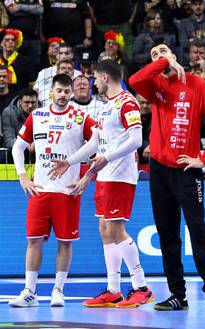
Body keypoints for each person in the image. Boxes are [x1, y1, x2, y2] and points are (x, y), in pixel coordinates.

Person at [129, 42, 205, 311]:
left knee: (198, 230)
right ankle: (178, 295)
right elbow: (134, 79)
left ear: (175, 55)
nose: (157, 57)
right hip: (159, 170)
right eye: (152, 55)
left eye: (162, 52)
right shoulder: (156, 86)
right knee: (167, 234)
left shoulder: (197, 85)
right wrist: (163, 64)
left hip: (188, 171)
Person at [50, 60, 155, 308]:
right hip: (105, 175)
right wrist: (70, 161)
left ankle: (141, 286)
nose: (94, 82)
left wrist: (106, 158)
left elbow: (137, 140)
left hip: (121, 174)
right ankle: (114, 289)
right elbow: (95, 142)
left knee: (117, 231)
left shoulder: (128, 102)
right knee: (105, 230)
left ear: (105, 77)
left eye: (95, 77)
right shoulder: (105, 107)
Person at [8, 74, 97, 308]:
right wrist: (23, 177)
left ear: (71, 93)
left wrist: (87, 176)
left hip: (67, 191)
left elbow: (99, 143)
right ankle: (30, 292)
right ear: (51, 92)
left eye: (67, 92)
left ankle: (58, 291)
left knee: (65, 242)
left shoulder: (80, 116)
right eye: (59, 91)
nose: (63, 95)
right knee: (33, 240)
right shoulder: (37, 116)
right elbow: (17, 147)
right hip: (40, 190)